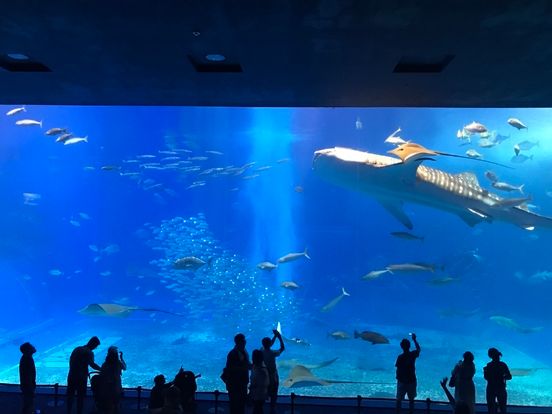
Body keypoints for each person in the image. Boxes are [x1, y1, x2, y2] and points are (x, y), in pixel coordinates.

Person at [67, 336, 101, 414]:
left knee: (70, 396)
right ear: (93, 344)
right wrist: (101, 369)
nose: (95, 348)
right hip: (81, 378)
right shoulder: (89, 352)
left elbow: (71, 361)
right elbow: (92, 364)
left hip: (71, 375)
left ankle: (68, 411)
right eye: (96, 346)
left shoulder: (77, 349)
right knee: (80, 397)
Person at [223, 333, 251, 414]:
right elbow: (230, 368)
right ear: (239, 342)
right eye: (243, 340)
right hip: (234, 384)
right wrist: (245, 367)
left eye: (244, 340)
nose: (245, 341)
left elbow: (246, 363)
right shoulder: (233, 354)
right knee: (234, 405)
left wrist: (251, 366)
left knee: (241, 405)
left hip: (242, 383)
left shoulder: (244, 351)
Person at [395, 333, 421, 414]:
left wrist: (398, 378)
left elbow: (398, 369)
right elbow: (418, 349)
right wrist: (414, 339)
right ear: (409, 346)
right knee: (411, 400)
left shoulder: (400, 357)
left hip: (402, 381)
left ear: (401, 346)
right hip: (411, 380)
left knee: (399, 400)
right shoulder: (412, 355)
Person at [260, 330, 285, 413]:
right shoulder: (272, 353)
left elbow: (269, 344)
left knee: (264, 393)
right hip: (272, 376)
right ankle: (272, 409)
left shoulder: (261, 350)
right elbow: (282, 348)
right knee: (273, 394)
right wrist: (279, 337)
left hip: (264, 376)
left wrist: (275, 336)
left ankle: (261, 410)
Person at [98, 345, 127, 413]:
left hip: (107, 386)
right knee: (116, 402)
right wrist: (121, 358)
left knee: (109, 403)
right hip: (116, 385)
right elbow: (125, 368)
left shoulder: (105, 364)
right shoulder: (118, 363)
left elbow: (102, 374)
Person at [484, 348, 511, 414]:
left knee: (491, 408)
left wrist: (485, 371)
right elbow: (509, 377)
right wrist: (503, 377)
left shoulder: (489, 365)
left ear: (490, 356)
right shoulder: (503, 365)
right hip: (501, 387)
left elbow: (486, 378)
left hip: (491, 388)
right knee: (503, 408)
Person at [250, 349, 269, 414]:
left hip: (259, 395)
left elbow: (260, 385)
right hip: (257, 394)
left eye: (253, 357)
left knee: (257, 409)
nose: (252, 359)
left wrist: (250, 392)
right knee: (257, 409)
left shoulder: (261, 370)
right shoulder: (256, 367)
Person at [19, 342, 36, 414]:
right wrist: (30, 387)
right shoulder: (27, 359)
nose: (33, 347)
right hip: (27, 386)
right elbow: (27, 375)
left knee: (29, 403)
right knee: (28, 403)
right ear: (27, 350)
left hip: (28, 385)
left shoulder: (27, 357)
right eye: (30, 347)